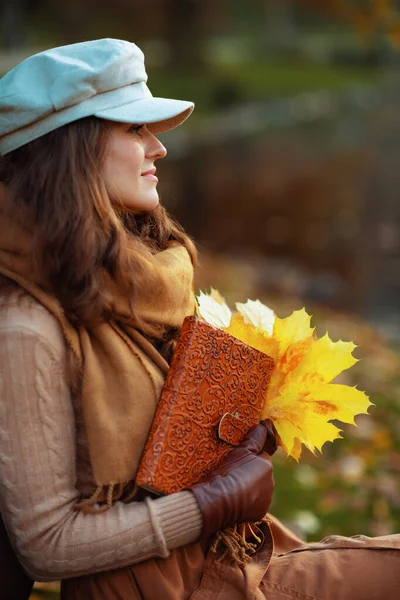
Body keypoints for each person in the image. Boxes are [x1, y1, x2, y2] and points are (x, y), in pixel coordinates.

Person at [0, 39, 398, 600]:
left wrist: (231, 440)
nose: (158, 148)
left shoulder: (136, 281)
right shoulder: (27, 327)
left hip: (237, 554)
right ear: (72, 150)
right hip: (169, 588)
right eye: (135, 130)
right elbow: (44, 543)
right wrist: (213, 502)